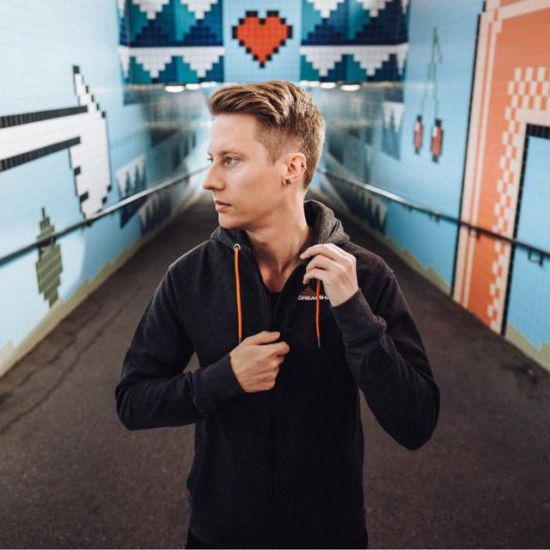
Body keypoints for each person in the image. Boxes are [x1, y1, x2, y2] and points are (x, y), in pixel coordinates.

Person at [115, 80, 440, 549]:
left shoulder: (365, 276)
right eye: (212, 160)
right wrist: (223, 378)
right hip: (220, 534)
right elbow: (132, 401)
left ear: (292, 167)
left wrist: (354, 312)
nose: (210, 180)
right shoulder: (190, 277)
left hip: (329, 534)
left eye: (231, 160)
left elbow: (416, 422)